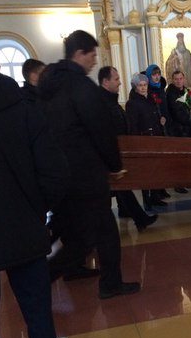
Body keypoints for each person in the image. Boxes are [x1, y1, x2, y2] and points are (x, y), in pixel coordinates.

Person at [0, 42, 68, 338]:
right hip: (24, 226)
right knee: (37, 312)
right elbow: (53, 171)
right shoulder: (23, 108)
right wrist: (39, 212)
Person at [38, 30, 140, 299]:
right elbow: (101, 131)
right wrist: (115, 164)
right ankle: (108, 283)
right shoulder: (81, 87)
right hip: (85, 173)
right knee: (101, 232)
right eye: (92, 55)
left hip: (58, 173)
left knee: (75, 233)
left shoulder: (48, 85)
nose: (95, 61)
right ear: (79, 53)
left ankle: (66, 273)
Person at [98, 66, 158, 231]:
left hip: (118, 150)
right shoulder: (102, 103)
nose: (120, 82)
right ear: (105, 82)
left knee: (122, 188)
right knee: (117, 189)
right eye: (116, 79)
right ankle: (138, 219)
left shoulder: (110, 100)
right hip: (110, 153)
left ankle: (131, 214)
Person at [126, 72, 168, 208]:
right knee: (145, 172)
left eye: (145, 85)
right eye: (140, 85)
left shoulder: (150, 99)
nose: (143, 88)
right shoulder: (132, 103)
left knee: (156, 169)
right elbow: (133, 125)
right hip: (143, 140)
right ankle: (147, 199)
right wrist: (136, 143)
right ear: (135, 87)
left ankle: (155, 196)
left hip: (155, 137)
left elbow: (154, 115)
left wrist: (160, 119)